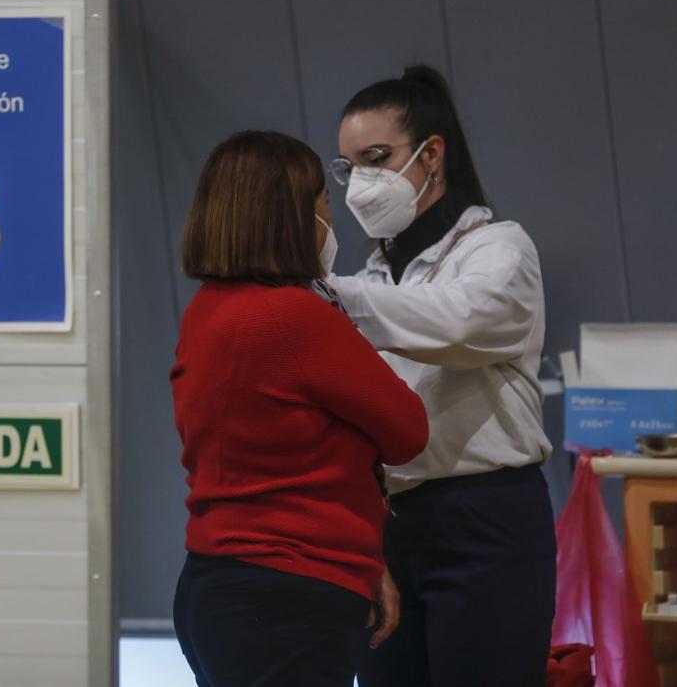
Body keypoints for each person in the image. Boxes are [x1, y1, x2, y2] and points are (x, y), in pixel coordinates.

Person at [171, 130, 429, 687]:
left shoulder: (207, 309)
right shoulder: (295, 317)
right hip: (286, 599)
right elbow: (408, 429)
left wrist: (362, 564)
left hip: (218, 584)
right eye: (324, 203)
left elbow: (280, 464)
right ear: (290, 218)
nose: (330, 221)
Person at [327, 65, 556, 687]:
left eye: (376, 158)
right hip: (390, 526)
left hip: (486, 519)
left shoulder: (498, 249)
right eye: (349, 168)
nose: (360, 185)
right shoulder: (369, 276)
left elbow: (457, 324)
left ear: (431, 155)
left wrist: (327, 295)